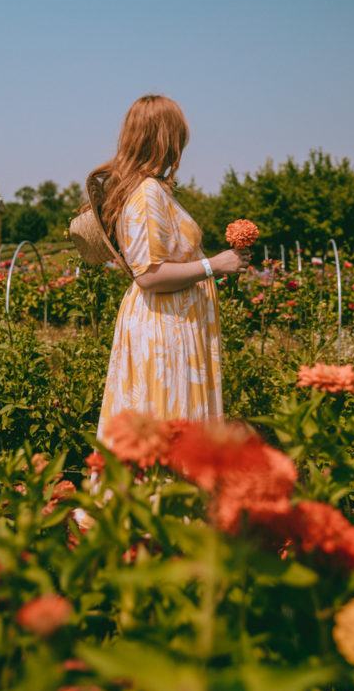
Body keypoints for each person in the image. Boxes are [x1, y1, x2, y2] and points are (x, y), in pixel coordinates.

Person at [94, 94, 250, 443]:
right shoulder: (146, 193)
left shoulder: (150, 189)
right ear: (166, 138)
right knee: (168, 426)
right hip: (164, 328)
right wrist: (215, 265)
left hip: (173, 324)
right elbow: (149, 276)